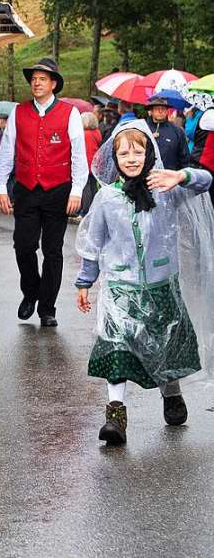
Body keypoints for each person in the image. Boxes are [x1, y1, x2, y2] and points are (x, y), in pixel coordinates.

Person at [75, 120, 212, 445]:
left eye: (138, 151)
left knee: (164, 347)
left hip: (162, 286)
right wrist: (85, 282)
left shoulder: (165, 189)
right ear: (115, 158)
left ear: (149, 154)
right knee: (117, 348)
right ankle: (116, 417)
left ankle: (172, 393)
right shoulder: (107, 197)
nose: (132, 158)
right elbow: (93, 244)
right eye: (124, 152)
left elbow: (206, 181)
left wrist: (180, 175)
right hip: (121, 290)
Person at [0, 57, 88, 328]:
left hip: (58, 190)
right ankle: (30, 292)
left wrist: (77, 190)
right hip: (26, 189)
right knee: (23, 247)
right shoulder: (19, 112)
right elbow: (6, 150)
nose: (36, 82)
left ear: (53, 84)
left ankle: (47, 308)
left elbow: (79, 155)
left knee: (53, 251)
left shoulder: (69, 113)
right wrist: (1, 187)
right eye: (34, 78)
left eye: (42, 79)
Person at [144, 96, 189, 170]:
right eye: (157, 109)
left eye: (163, 109)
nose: (160, 111)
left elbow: (185, 158)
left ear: (167, 111)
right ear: (151, 111)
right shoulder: (143, 129)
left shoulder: (177, 131)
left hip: (170, 176)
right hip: (147, 176)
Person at [80, 111, 103, 214]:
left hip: (86, 163)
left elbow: (86, 151)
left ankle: (85, 211)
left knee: (86, 188)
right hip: (95, 163)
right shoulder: (97, 132)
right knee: (93, 187)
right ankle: (94, 208)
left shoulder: (85, 134)